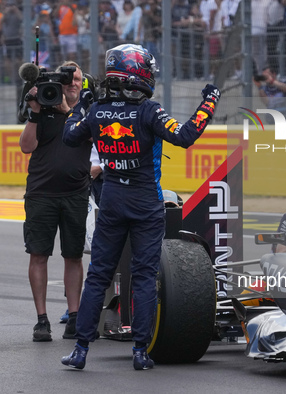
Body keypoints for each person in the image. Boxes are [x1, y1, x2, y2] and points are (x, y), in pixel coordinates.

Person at [61, 44, 221, 370]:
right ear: (139, 72)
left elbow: (69, 137)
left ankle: (80, 350)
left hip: (112, 201)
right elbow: (186, 135)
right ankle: (139, 351)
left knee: (98, 275)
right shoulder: (149, 110)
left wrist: (81, 108)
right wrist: (209, 101)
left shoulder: (98, 111)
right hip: (146, 202)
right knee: (145, 276)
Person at [19, 61, 92, 342]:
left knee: (73, 255)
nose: (72, 84)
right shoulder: (44, 106)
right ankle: (42, 319)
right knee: (38, 255)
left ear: (82, 83)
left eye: (76, 79)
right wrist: (36, 113)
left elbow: (93, 134)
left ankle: (74, 316)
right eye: (67, 80)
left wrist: (67, 111)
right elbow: (26, 146)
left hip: (75, 193)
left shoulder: (90, 109)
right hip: (41, 194)